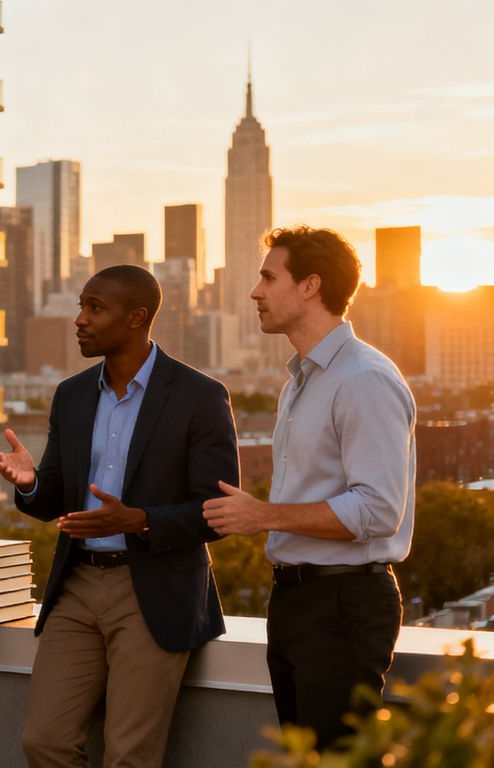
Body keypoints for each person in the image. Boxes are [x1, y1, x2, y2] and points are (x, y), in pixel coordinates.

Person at [0, 265, 239, 768]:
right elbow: (57, 495)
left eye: (94, 308)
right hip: (76, 586)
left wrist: (138, 520)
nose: (79, 319)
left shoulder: (200, 397)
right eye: (81, 305)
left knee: (129, 756)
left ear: (136, 318)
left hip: (153, 589)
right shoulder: (72, 395)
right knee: (44, 741)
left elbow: (218, 512)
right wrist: (31, 482)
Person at [204, 226, 416, 750]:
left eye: (268, 277)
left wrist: (263, 516)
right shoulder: (301, 381)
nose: (255, 292)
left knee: (335, 759)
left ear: (310, 286)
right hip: (297, 600)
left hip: (345, 603)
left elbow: (377, 510)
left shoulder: (363, 378)